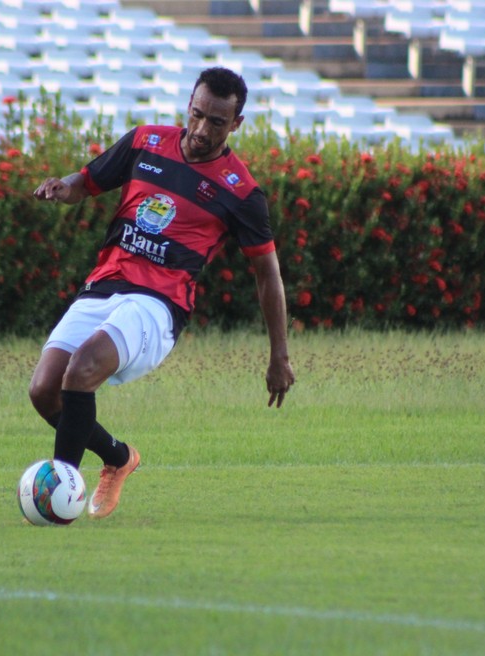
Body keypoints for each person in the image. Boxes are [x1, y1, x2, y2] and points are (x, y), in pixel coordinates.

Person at [30, 66, 295, 519]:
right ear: (188, 105)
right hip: (105, 285)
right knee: (43, 391)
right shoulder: (145, 142)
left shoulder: (242, 192)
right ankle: (118, 457)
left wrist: (279, 356)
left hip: (158, 305)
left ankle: (60, 499)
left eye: (216, 122)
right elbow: (85, 182)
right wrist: (62, 188)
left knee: (83, 368)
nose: (201, 129)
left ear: (236, 125)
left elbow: (268, 274)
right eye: (196, 114)